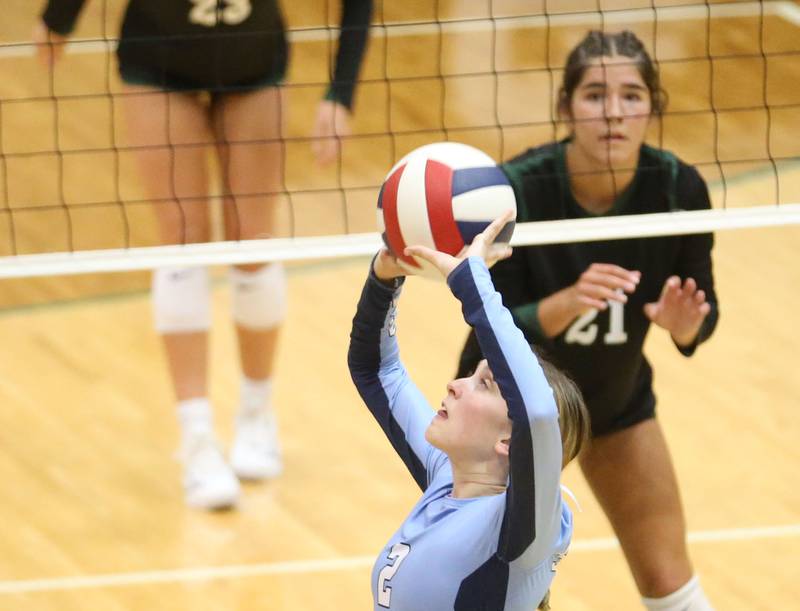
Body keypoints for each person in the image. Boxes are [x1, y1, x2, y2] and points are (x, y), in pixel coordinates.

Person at [35, 0, 373, 509]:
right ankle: (196, 438)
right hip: (159, 58)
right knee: (183, 237)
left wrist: (341, 92)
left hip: (252, 59)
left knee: (251, 238)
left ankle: (256, 416)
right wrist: (60, 16)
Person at [456, 31, 720, 610]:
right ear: (566, 107)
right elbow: (484, 326)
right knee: (510, 597)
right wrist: (563, 304)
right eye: (596, 95)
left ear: (652, 107)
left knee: (670, 580)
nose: (614, 113)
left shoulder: (679, 188)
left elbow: (704, 316)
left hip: (614, 401)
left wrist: (683, 325)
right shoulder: (514, 191)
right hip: (509, 415)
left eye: (632, 96)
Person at [348, 211, 591, 610]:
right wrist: (385, 279)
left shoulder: (521, 532)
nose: (454, 385)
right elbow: (375, 369)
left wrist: (472, 280)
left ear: (510, 440)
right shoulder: (447, 480)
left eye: (483, 383)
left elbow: (538, 414)